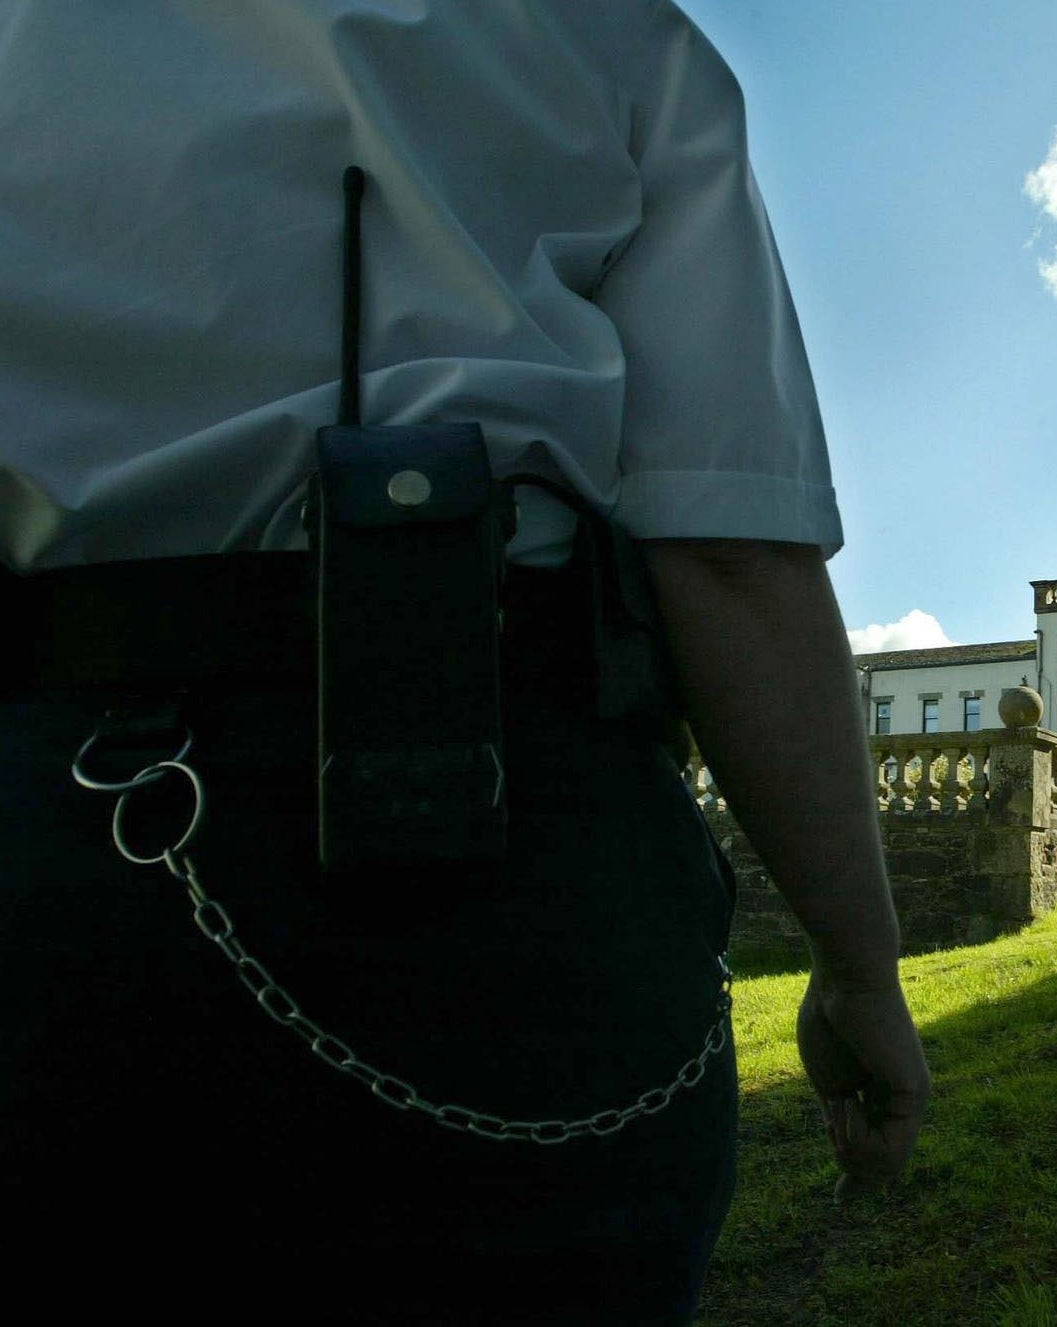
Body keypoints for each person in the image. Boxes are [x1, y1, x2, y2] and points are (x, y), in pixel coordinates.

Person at [0, 2, 928, 1321]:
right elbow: (730, 554)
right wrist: (857, 969)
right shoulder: (613, 35)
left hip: (51, 822)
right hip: (499, 844)